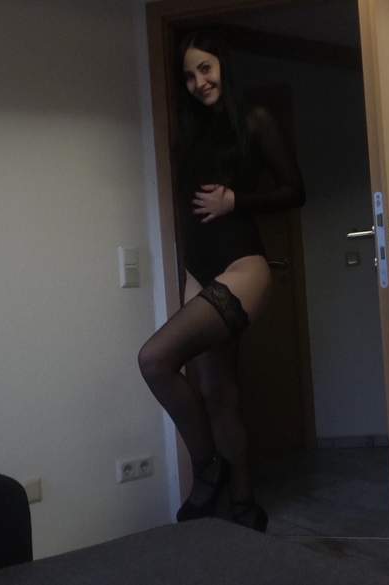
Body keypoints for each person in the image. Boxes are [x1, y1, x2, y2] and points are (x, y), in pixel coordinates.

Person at [138, 29, 305, 533]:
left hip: (242, 267)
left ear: (222, 65)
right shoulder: (189, 131)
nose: (199, 82)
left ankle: (208, 468)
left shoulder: (254, 119)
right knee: (217, 393)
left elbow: (295, 190)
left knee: (155, 359)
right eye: (189, 75)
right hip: (199, 271)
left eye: (205, 68)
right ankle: (244, 503)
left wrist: (236, 200)